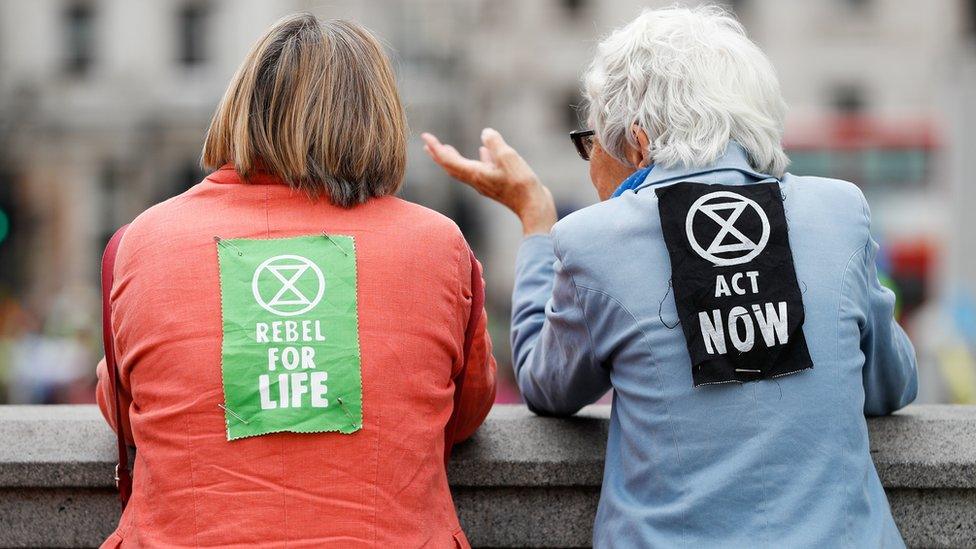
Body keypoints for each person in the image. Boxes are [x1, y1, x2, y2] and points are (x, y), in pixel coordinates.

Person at [423, 6, 917, 548]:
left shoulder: (593, 240)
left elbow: (546, 384)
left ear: (637, 143)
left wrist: (538, 224)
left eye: (591, 143)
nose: (591, 167)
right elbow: (891, 383)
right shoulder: (841, 210)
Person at [96, 14, 495, 548]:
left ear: (240, 107)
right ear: (376, 117)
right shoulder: (440, 245)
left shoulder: (142, 242)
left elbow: (125, 407)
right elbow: (466, 408)